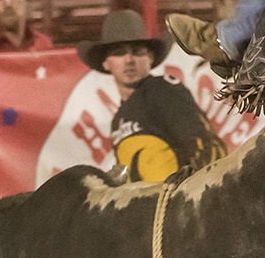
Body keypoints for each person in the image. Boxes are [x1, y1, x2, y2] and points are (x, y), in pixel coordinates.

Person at [77, 10, 226, 183]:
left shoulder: (161, 88)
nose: (129, 59)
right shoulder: (118, 118)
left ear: (150, 57)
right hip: (146, 204)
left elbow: (203, 146)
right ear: (106, 62)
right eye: (119, 52)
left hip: (174, 202)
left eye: (137, 51)